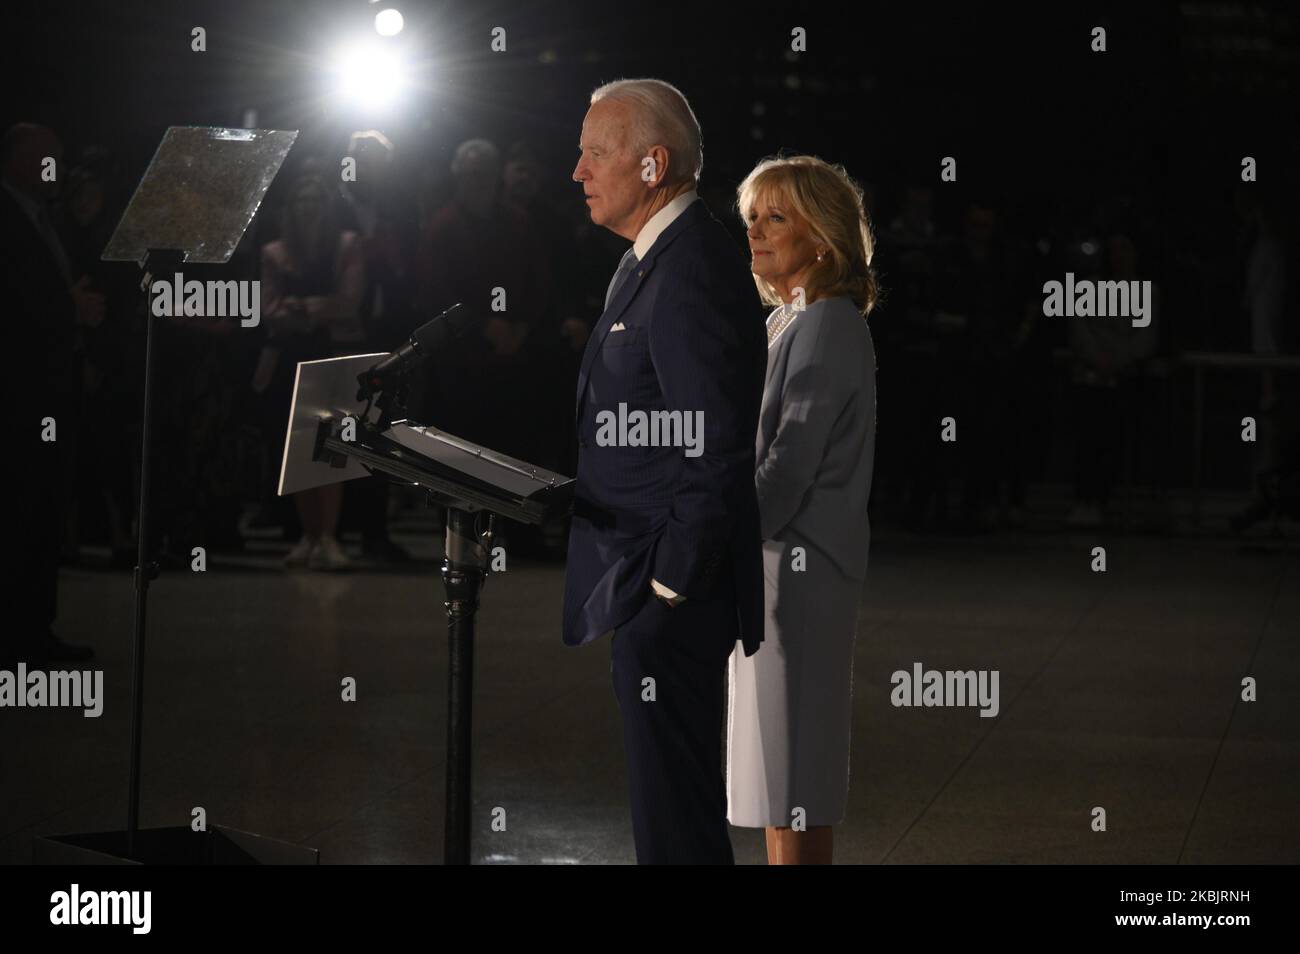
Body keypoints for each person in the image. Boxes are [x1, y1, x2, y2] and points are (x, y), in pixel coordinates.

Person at [562, 78, 767, 864]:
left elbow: (715, 444)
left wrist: (669, 583)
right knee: (668, 807)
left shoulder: (687, 267)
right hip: (647, 577)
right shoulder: (661, 254)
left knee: (675, 815)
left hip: (670, 589)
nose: (577, 172)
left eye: (593, 153)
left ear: (653, 166)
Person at [729, 154, 879, 865]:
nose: (756, 230)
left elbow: (789, 464)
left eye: (776, 216)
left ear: (823, 238)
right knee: (775, 777)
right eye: (751, 215)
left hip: (798, 569)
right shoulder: (791, 322)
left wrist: (719, 546)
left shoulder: (826, 323)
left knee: (792, 776)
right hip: (776, 566)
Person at [3, 122, 99, 664]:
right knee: (21, 513)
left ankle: (33, 629)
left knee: (42, 513)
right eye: (45, 158)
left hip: (50, 388)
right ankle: (19, 637)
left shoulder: (45, 218)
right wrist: (71, 311)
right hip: (19, 396)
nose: (54, 168)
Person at [253, 170, 366, 570]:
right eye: (301, 199)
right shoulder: (274, 252)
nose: (309, 206)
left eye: (315, 199)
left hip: (331, 354)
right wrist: (316, 308)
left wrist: (301, 308)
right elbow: (270, 312)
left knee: (331, 445)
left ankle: (330, 535)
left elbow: (350, 301)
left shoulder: (347, 245)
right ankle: (309, 533)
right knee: (299, 446)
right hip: (290, 357)